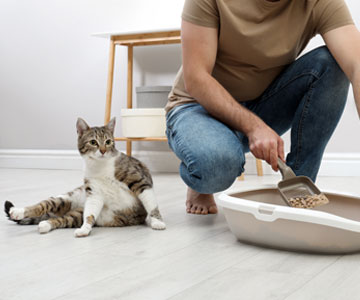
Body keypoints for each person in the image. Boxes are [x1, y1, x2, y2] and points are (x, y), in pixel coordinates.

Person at [165, 0, 360, 215]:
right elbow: (197, 78)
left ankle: (299, 187)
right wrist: (253, 127)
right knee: (215, 167)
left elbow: (356, 64)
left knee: (332, 64)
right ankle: (202, 172)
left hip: (262, 104)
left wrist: (256, 124)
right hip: (197, 107)